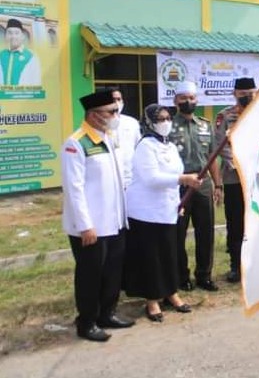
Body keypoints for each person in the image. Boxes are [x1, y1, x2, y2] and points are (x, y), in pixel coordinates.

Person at [60, 89, 134, 342]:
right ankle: (87, 321)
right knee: (90, 276)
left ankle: (107, 313)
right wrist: (85, 226)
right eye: (111, 112)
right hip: (91, 227)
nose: (116, 115)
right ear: (94, 115)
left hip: (114, 222)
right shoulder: (76, 143)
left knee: (112, 272)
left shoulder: (109, 137)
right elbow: (74, 189)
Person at [123, 104, 202, 322]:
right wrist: (183, 179)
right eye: (160, 119)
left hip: (168, 210)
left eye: (168, 118)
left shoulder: (170, 146)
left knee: (170, 253)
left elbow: (174, 176)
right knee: (151, 257)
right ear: (148, 122)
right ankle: (152, 300)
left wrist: (178, 201)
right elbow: (151, 178)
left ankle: (171, 293)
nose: (165, 122)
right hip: (146, 212)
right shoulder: (145, 146)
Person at [169, 81, 223, 292]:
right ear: (176, 101)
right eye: (183, 98)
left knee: (205, 232)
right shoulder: (168, 125)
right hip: (179, 186)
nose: (188, 102)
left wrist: (218, 185)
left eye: (191, 98)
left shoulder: (204, 124)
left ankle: (204, 275)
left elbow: (212, 156)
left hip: (203, 185)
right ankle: (182, 277)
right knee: (177, 233)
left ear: (197, 100)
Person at [215, 77, 257, 283]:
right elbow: (219, 146)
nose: (247, 97)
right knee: (235, 223)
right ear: (235, 94)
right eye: (243, 94)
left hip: (258, 179)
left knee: (257, 221)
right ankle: (235, 265)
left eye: (251, 93)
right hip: (233, 178)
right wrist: (238, 163)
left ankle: (256, 263)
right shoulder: (225, 116)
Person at [109, 88, 141, 188]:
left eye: (119, 99)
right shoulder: (101, 124)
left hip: (130, 178)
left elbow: (138, 148)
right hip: (110, 180)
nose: (116, 103)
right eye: (113, 100)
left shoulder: (132, 123)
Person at [0, 18, 41, 86]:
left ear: (22, 36)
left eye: (17, 33)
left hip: (23, 95)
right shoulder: (1, 55)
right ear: (5, 36)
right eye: (9, 33)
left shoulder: (31, 56)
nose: (13, 36)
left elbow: (36, 82)